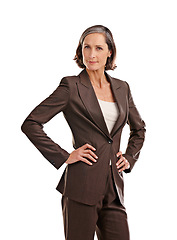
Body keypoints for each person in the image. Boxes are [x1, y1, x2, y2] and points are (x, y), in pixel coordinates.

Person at [21, 25, 146, 240]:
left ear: (110, 52)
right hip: (81, 184)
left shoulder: (122, 88)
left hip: (114, 188)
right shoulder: (71, 86)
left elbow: (139, 129)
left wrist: (128, 157)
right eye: (86, 47)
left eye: (98, 48)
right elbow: (31, 123)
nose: (91, 54)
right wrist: (65, 156)